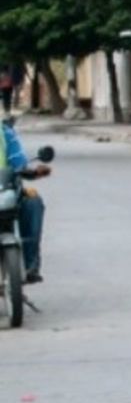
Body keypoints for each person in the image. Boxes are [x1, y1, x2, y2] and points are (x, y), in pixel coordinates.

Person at [1, 117, 49, 283]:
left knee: (33, 202)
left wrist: (32, 172)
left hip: (4, 191)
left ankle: (30, 267)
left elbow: (19, 164)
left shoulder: (5, 133)